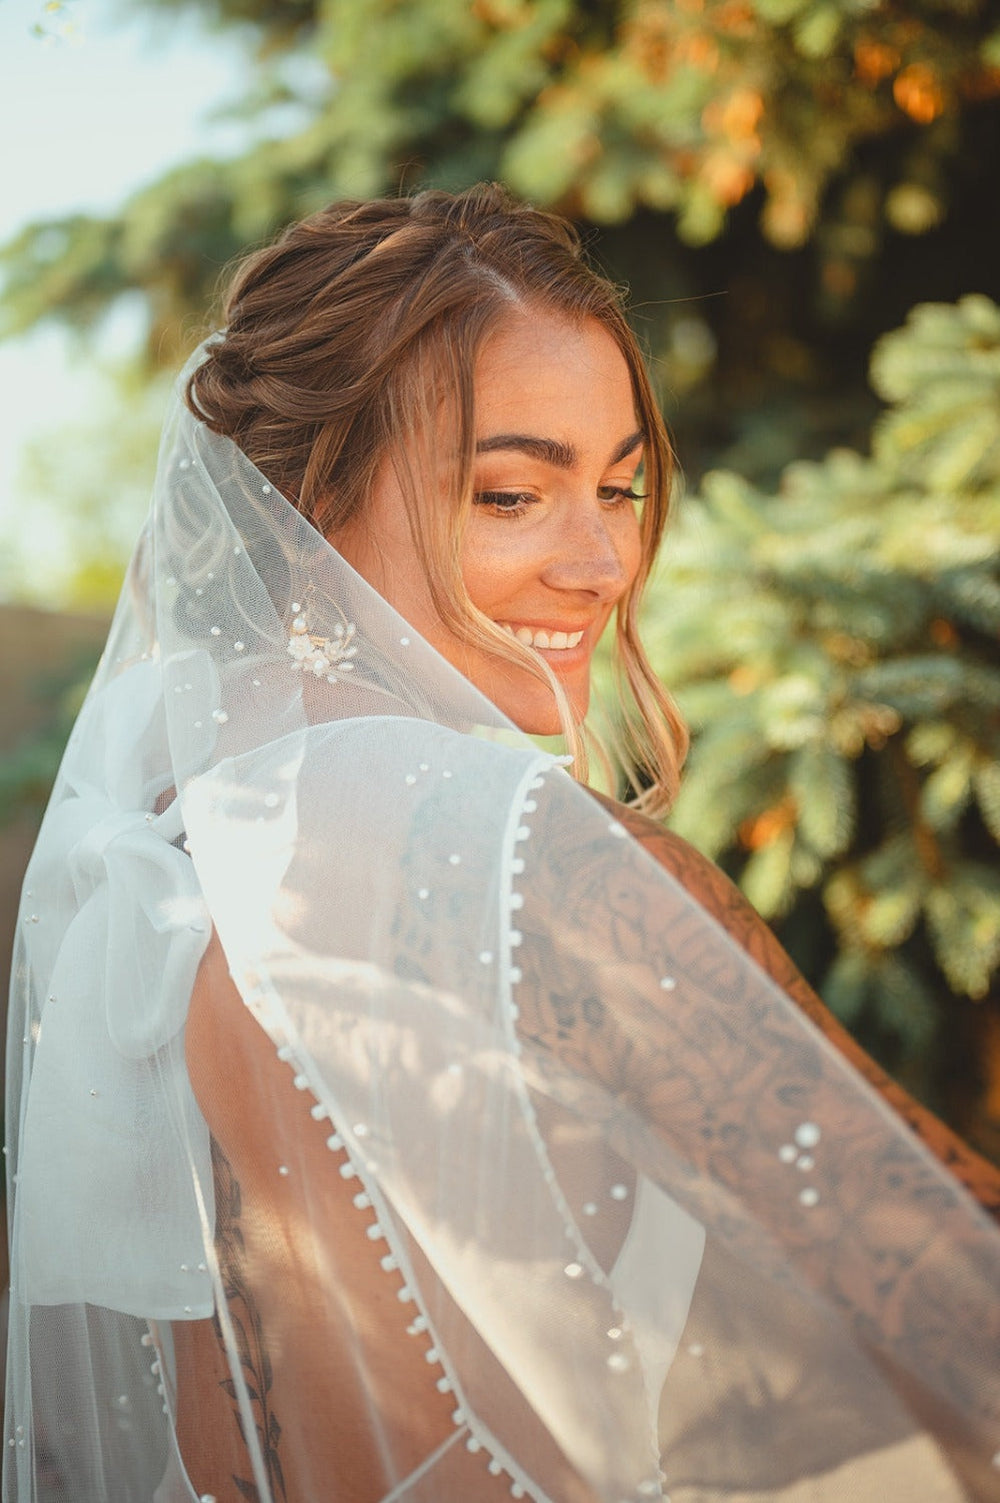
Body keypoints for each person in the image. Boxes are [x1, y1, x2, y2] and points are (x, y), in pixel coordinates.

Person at [5, 184, 1000, 1503]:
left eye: (621, 486)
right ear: (307, 508)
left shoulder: (163, 828)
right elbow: (949, 1291)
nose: (600, 562)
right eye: (514, 494)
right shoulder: (512, 853)